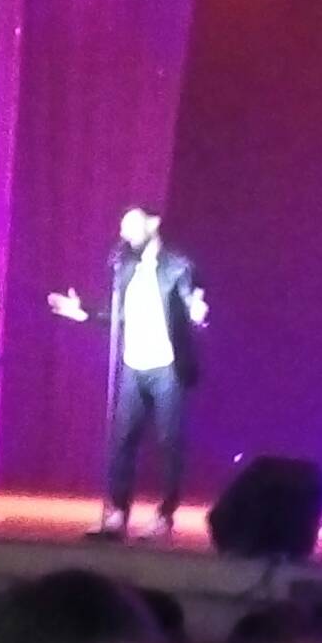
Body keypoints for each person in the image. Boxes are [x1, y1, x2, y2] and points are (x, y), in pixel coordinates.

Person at [48, 206, 208, 541]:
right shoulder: (125, 268)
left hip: (167, 367)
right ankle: (118, 513)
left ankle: (164, 516)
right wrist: (84, 313)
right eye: (122, 227)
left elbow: (192, 301)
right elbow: (120, 316)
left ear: (154, 223)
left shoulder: (178, 266)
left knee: (169, 442)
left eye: (131, 225)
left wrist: (197, 311)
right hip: (133, 366)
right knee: (122, 439)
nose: (124, 233)